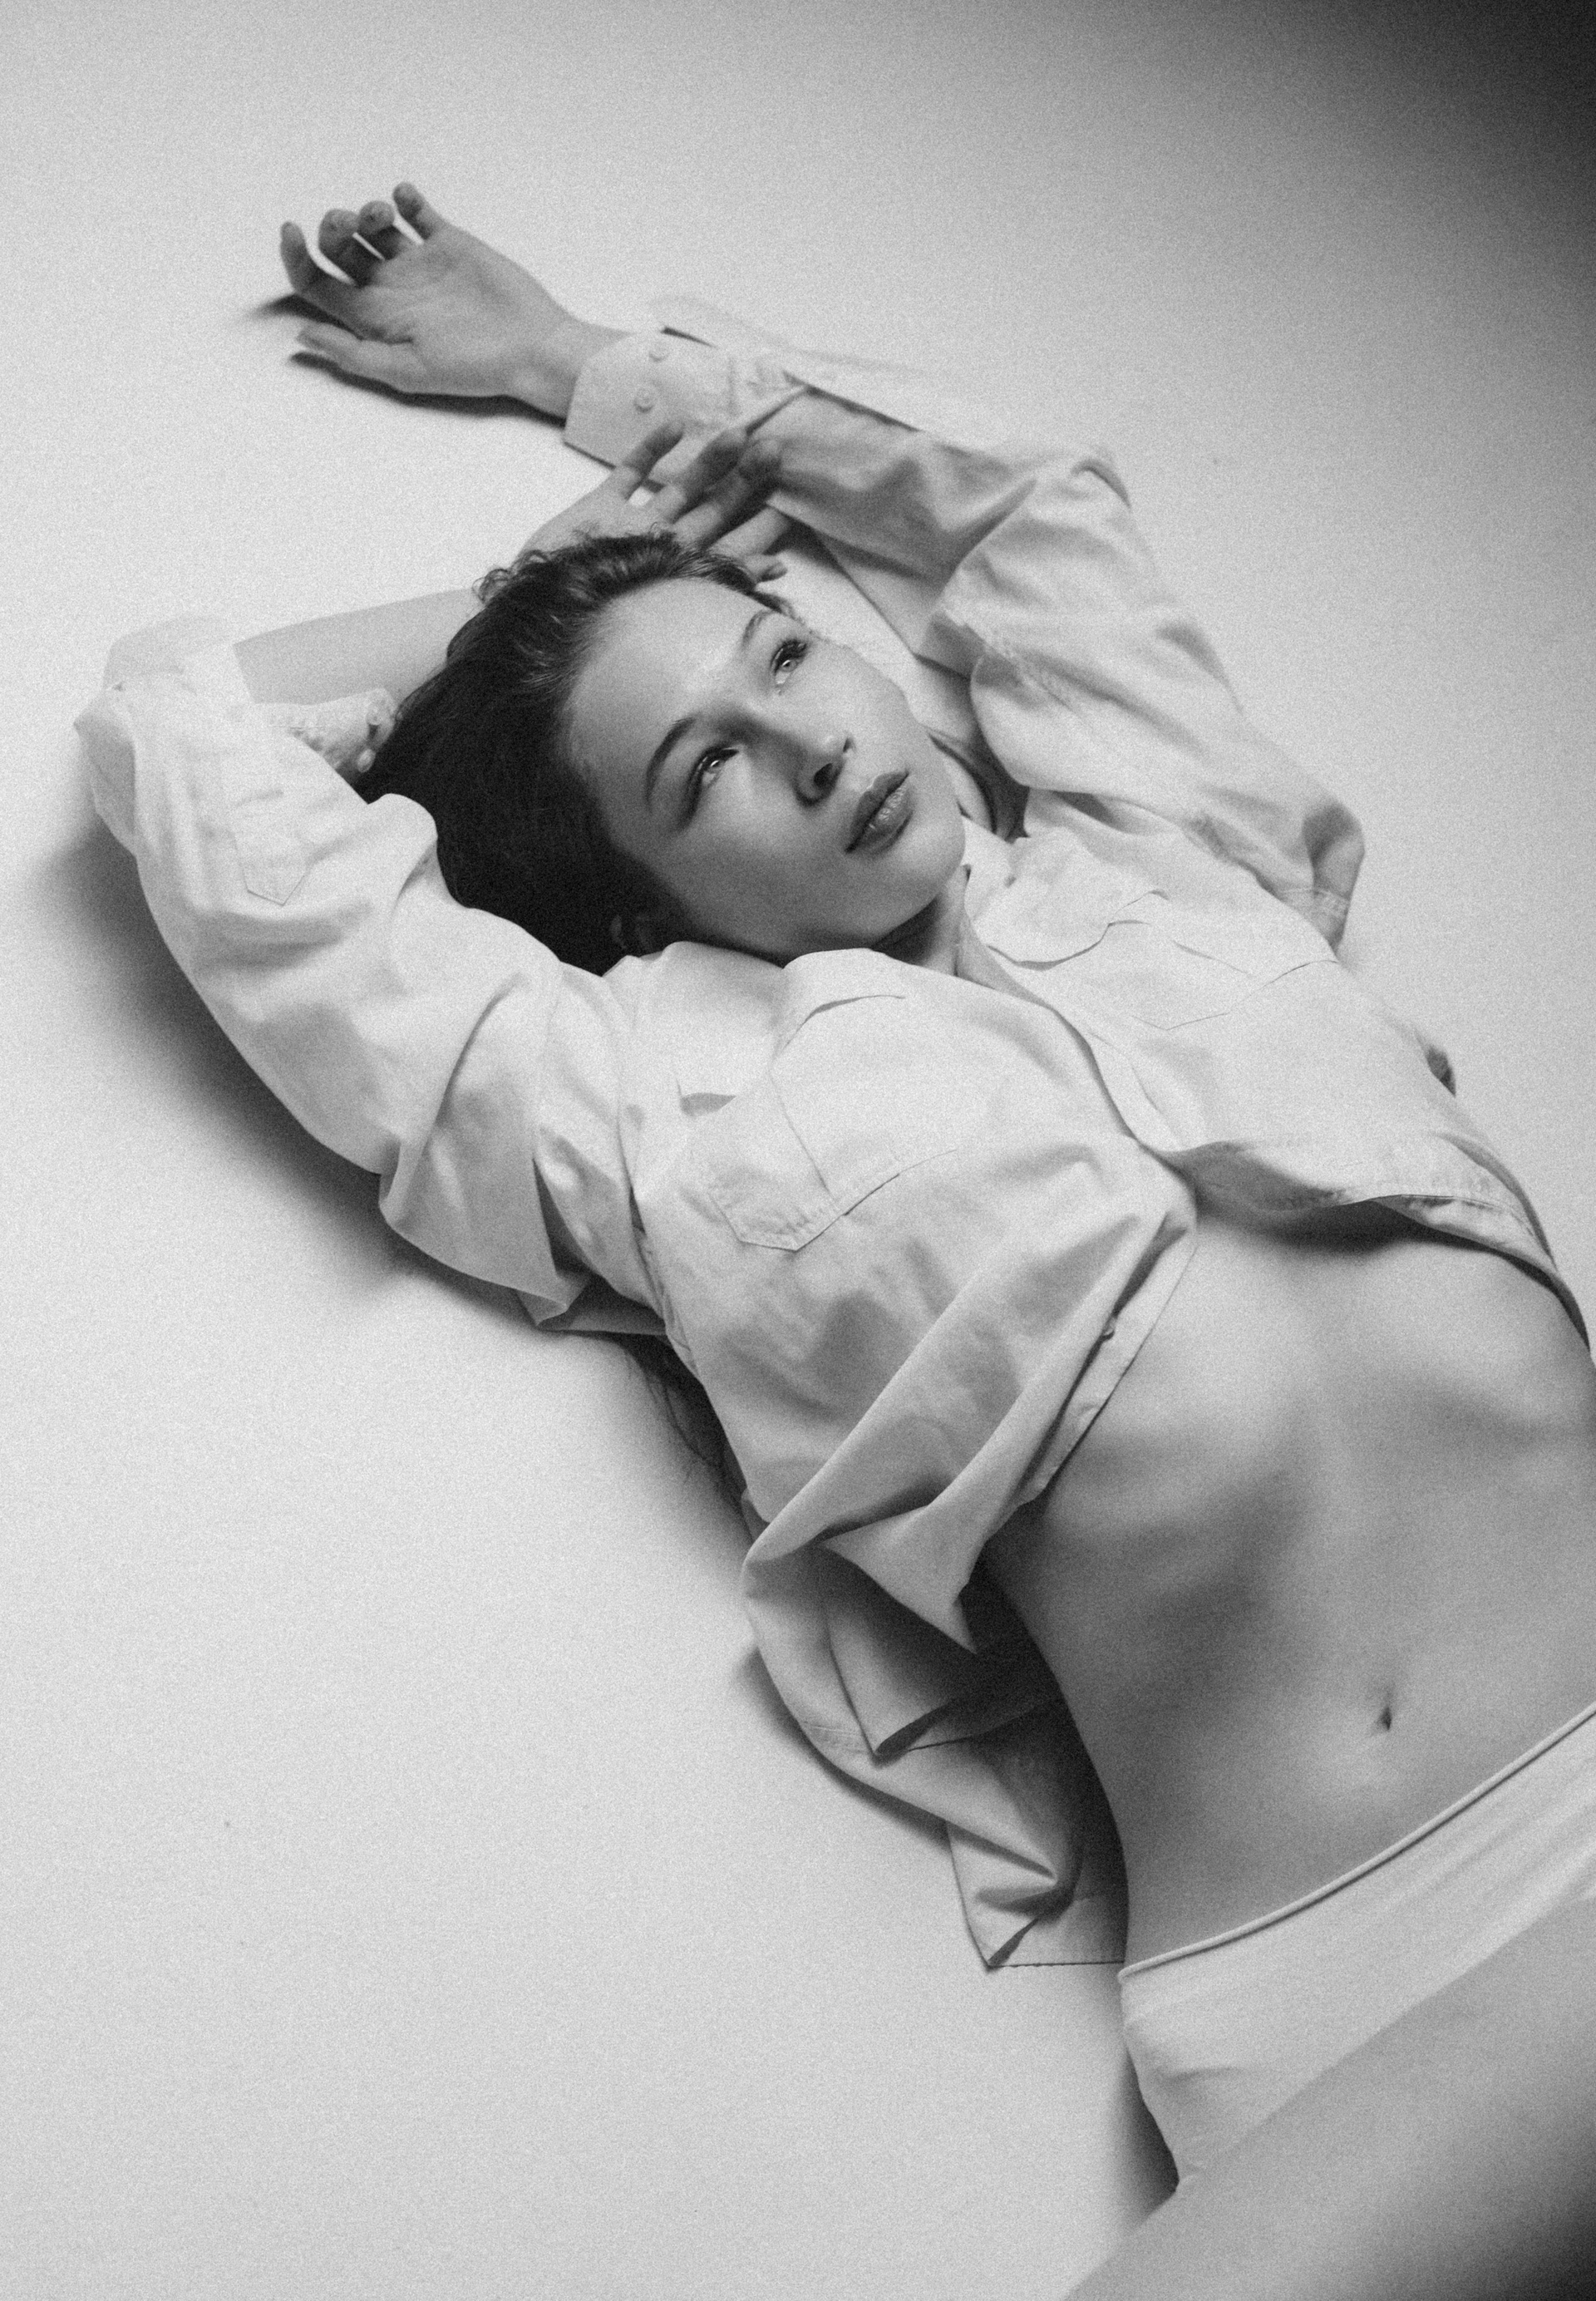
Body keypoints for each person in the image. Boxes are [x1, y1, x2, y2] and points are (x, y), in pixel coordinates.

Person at [78, 184, 1596, 2299]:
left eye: (786, 656)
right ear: (639, 891)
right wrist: (531, 593)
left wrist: (586, 373)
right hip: (1308, 1990)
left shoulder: (1178, 849)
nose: (808, 743)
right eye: (705, 766)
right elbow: (186, 746)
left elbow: (1025, 505)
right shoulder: (645, 1111)